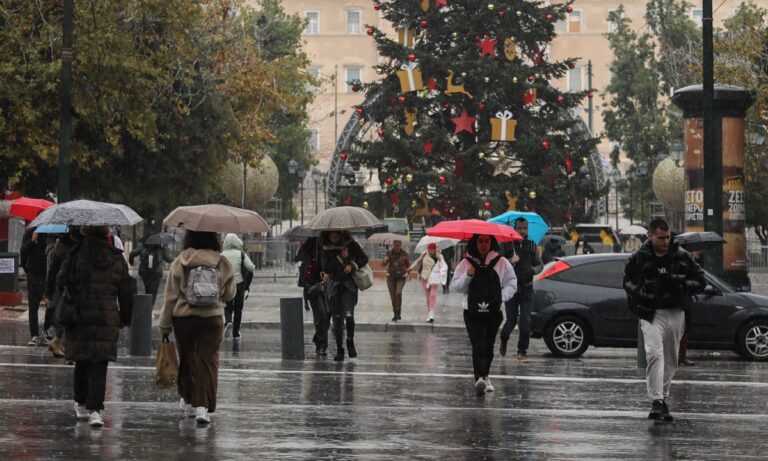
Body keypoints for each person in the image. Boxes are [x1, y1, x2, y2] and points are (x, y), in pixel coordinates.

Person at [623, 218, 706, 421]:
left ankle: (662, 398)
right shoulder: (639, 257)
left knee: (670, 358)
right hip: (651, 312)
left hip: (675, 311)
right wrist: (640, 293)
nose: (666, 241)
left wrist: (679, 283)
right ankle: (657, 400)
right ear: (650, 236)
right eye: (661, 237)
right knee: (654, 354)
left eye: (668, 237)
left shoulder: (682, 256)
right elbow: (627, 281)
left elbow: (700, 281)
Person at [57, 225, 133, 428]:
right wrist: (125, 317)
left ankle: (81, 402)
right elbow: (125, 290)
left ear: (85, 231)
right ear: (106, 233)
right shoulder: (116, 257)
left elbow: (61, 280)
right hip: (106, 317)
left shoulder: (75, 253)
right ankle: (96, 410)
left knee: (82, 359)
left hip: (80, 314)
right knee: (100, 362)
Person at [159, 230, 235, 425]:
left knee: (186, 358)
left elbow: (170, 297)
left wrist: (164, 324)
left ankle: (188, 401)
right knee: (207, 361)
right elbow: (229, 295)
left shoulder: (180, 261)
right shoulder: (222, 262)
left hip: (184, 318)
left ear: (189, 238)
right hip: (212, 318)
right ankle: (202, 407)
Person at [451, 234, 517, 396]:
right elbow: (456, 286)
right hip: (472, 311)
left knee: (488, 345)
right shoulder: (466, 263)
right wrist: (468, 276)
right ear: (475, 242)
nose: (483, 245)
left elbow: (512, 283)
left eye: (487, 241)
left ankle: (486, 375)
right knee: (477, 344)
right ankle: (478, 378)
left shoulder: (501, 262)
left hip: (494, 311)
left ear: (491, 243)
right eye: (480, 241)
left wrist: (500, 297)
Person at [320, 230, 368, 362]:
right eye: (331, 235)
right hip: (335, 286)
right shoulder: (326, 248)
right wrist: (340, 257)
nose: (334, 238)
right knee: (336, 318)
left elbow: (364, 258)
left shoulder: (351, 244)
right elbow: (326, 267)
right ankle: (339, 348)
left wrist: (352, 266)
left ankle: (350, 341)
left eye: (336, 235)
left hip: (349, 286)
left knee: (349, 314)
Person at [499, 218, 542, 362]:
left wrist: (532, 270)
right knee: (510, 321)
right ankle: (503, 339)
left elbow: (540, 264)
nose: (522, 231)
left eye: (525, 228)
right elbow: (499, 263)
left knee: (525, 320)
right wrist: (510, 261)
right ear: (515, 229)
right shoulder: (507, 245)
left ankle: (522, 351)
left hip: (527, 288)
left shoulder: (531, 245)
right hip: (511, 289)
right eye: (520, 228)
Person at [44, 226, 83, 358]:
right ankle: (61, 343)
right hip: (75, 286)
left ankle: (58, 341)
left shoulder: (60, 244)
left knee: (65, 314)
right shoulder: (79, 247)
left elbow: (53, 271)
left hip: (62, 286)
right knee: (73, 317)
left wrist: (48, 292)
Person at [295, 237, 328, 356]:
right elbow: (301, 256)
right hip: (315, 286)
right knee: (321, 316)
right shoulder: (311, 244)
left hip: (330, 286)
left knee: (327, 316)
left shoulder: (334, 243)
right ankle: (322, 345)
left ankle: (318, 338)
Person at [221, 233, 255, 341]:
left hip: (226, 284)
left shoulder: (222, 255)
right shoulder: (241, 254)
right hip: (239, 284)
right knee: (238, 309)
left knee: (227, 307)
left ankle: (228, 322)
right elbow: (251, 267)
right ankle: (236, 333)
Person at [20, 228, 48, 346]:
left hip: (47, 272)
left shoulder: (50, 233)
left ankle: (47, 332)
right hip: (34, 273)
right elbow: (23, 252)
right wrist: (32, 240)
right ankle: (34, 335)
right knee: (33, 305)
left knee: (50, 304)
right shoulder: (29, 233)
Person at [409, 243, 445, 323]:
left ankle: (431, 313)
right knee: (428, 296)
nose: (430, 252)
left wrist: (439, 269)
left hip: (435, 278)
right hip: (424, 277)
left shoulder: (439, 256)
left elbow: (444, 267)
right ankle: (430, 312)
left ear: (435, 250)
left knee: (433, 295)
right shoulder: (424, 254)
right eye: (429, 250)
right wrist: (411, 268)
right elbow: (418, 261)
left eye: (431, 250)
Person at [678, 249, 702, 366]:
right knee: (679, 329)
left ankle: (682, 356)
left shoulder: (693, 265)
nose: (698, 254)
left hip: (686, 299)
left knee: (686, 328)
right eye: (696, 252)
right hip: (681, 300)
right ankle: (679, 356)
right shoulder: (681, 263)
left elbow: (698, 281)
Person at [129, 240, 172, 305]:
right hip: (156, 273)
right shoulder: (160, 248)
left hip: (144, 272)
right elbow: (169, 259)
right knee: (153, 293)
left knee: (148, 290)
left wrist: (131, 262)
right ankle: (149, 310)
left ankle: (147, 309)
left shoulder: (142, 247)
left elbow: (132, 253)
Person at [382, 239, 411, 321]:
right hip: (390, 278)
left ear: (400, 245)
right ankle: (395, 314)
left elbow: (408, 265)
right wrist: (385, 260)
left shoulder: (404, 254)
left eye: (398, 245)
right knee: (393, 297)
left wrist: (407, 273)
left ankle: (398, 312)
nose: (396, 247)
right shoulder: (389, 253)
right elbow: (383, 265)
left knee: (398, 293)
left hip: (401, 277)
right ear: (393, 245)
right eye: (395, 245)